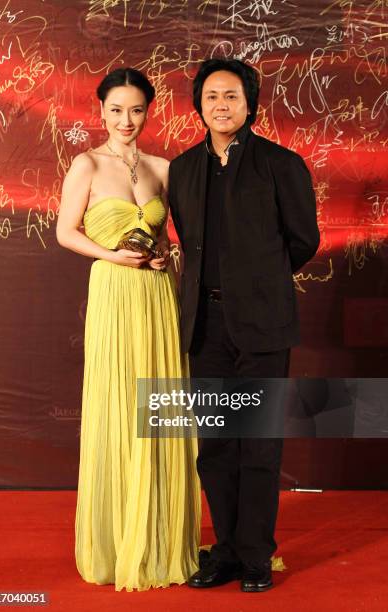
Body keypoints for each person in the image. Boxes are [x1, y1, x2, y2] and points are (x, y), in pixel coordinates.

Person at [168, 58, 320, 593]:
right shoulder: (183, 169)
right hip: (204, 325)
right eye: (211, 97)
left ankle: (256, 556)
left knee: (256, 444)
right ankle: (226, 551)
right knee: (214, 446)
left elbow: (303, 240)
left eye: (231, 96)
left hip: (261, 325)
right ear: (199, 105)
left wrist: (258, 285)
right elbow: (190, 237)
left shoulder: (282, 164)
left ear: (250, 104)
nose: (221, 106)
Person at [56, 67, 201, 592]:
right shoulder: (87, 164)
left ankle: (162, 539)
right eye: (116, 109)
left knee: (159, 410)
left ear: (148, 112)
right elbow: (65, 233)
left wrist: (167, 255)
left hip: (159, 298)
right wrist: (116, 257)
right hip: (116, 295)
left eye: (136, 109)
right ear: (100, 111)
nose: (126, 119)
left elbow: (182, 236)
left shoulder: (164, 168)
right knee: (120, 406)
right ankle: (120, 540)